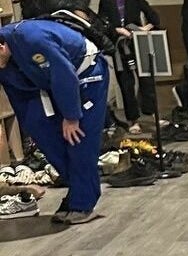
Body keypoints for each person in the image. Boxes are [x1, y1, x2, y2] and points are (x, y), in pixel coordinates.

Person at [0, 17, 107, 224]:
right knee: (44, 135)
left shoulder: (31, 38)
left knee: (79, 140)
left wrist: (71, 116)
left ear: (1, 47)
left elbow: (64, 74)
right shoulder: (5, 61)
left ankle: (83, 203)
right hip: (41, 83)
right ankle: (77, 192)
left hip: (85, 73)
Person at [96, 0, 160, 130]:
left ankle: (154, 115)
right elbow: (101, 24)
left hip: (138, 42)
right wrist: (116, 30)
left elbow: (154, 17)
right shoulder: (106, 2)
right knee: (126, 84)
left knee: (147, 79)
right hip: (119, 46)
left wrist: (143, 29)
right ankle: (133, 120)